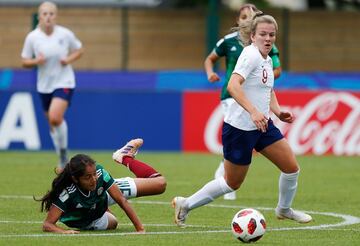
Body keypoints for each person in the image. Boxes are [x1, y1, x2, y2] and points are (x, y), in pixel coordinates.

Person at [173, 13, 312, 227]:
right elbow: (233, 85)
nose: (268, 38)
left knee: (291, 168)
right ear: (252, 36)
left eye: (272, 35)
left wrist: (277, 111)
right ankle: (186, 204)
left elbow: (267, 89)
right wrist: (253, 112)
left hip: (263, 126)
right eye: (263, 34)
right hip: (240, 129)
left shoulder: (266, 59)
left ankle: (284, 210)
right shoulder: (251, 55)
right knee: (231, 183)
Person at [204, 3, 282, 200]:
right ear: (238, 20)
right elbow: (210, 59)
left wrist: (263, 78)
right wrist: (210, 73)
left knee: (248, 138)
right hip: (231, 96)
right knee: (240, 131)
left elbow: (277, 71)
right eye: (245, 16)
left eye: (252, 15)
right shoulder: (229, 42)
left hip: (254, 97)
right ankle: (227, 173)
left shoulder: (266, 44)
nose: (248, 19)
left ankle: (226, 172)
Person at [36, 138, 167, 233]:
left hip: (104, 192)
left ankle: (124, 157)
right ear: (76, 179)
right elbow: (47, 224)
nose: (93, 180)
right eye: (87, 177)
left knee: (160, 184)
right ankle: (103, 208)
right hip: (89, 219)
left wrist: (140, 229)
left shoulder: (99, 174)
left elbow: (121, 200)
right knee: (113, 223)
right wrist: (64, 232)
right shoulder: (67, 194)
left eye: (94, 175)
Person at [21, 1, 84, 172]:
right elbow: (24, 61)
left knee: (55, 118)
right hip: (44, 85)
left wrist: (68, 60)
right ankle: (61, 156)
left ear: (56, 16)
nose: (48, 17)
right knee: (51, 123)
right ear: (39, 16)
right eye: (44, 14)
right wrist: (36, 61)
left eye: (51, 14)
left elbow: (79, 50)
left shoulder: (65, 34)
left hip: (64, 81)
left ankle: (63, 155)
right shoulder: (32, 37)